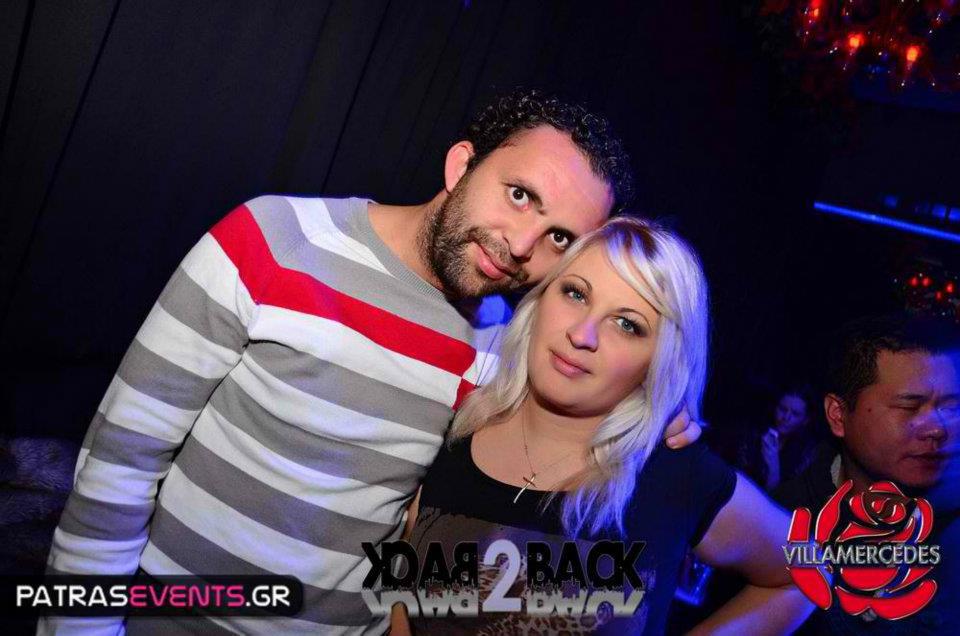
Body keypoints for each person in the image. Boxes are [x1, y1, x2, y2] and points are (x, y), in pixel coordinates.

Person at [40, 90, 701, 635]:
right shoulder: (272, 241)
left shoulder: (501, 346)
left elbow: (583, 405)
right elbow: (119, 461)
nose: (522, 243)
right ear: (461, 165)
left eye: (559, 236)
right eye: (519, 194)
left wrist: (660, 410)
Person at [393, 217, 814, 635]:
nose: (583, 334)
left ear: (658, 361)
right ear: (540, 299)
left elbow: (807, 571)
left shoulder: (674, 474)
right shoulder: (454, 429)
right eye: (575, 293)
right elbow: (401, 584)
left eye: (627, 324)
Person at [774, 314, 960, 634]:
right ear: (838, 416)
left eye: (951, 408)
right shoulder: (779, 525)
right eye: (909, 407)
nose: (937, 429)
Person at [756, 385, 819, 491]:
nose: (786, 417)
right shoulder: (756, 435)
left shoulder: (808, 453)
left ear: (805, 420)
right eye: (783, 409)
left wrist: (773, 465)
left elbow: (784, 496)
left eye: (795, 414)